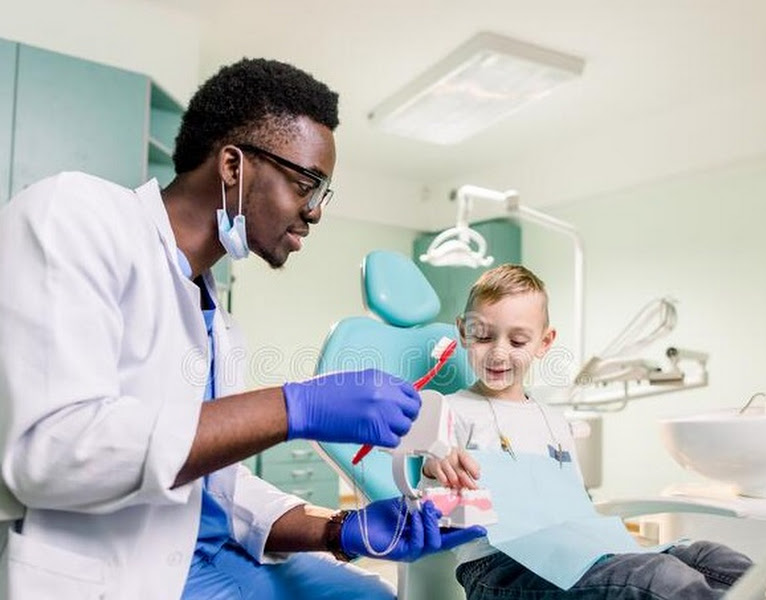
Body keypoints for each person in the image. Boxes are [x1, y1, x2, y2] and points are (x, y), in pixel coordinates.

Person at [0, 58, 484, 600]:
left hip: (218, 557)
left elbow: (220, 491)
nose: (314, 213)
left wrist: (340, 530)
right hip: (122, 572)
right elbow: (56, 449)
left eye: (321, 194)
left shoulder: (219, 323)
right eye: (306, 184)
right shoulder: (76, 215)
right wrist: (292, 407)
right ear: (233, 166)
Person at [421, 264, 753, 600]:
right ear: (463, 331)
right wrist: (436, 466)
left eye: (517, 340)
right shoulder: (450, 411)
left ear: (544, 342)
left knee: (713, 559)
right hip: (500, 569)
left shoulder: (554, 421)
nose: (498, 352)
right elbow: (428, 496)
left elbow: (575, 507)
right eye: (483, 336)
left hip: (577, 552)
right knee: (659, 578)